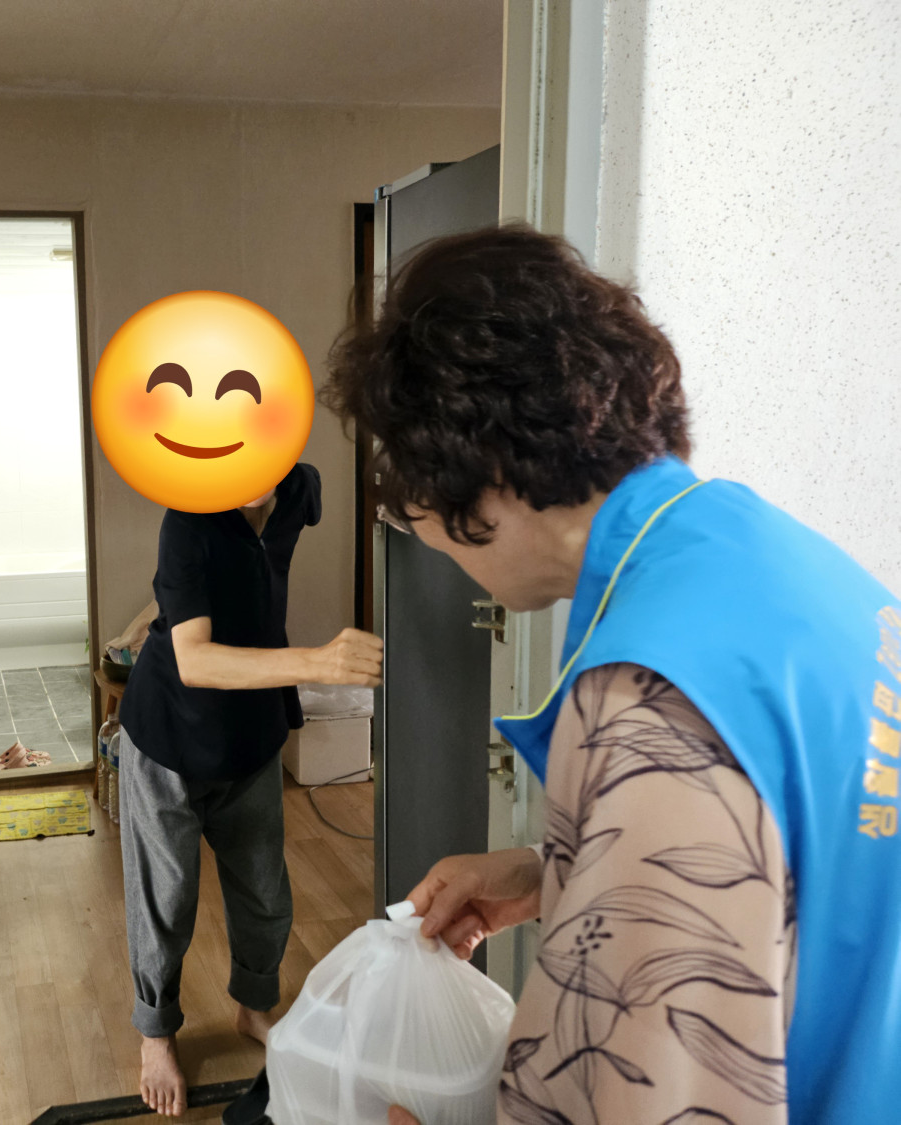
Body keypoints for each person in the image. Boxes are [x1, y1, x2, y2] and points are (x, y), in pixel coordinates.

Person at [321, 224, 901, 1124]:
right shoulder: (767, 553)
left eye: (411, 505)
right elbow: (799, 871)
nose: (422, 535)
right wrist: (557, 868)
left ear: (476, 469)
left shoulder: (649, 700)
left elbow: (672, 1099)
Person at [115, 462, 383, 1117]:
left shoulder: (299, 488)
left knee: (265, 891)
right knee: (166, 899)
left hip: (252, 737)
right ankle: (156, 1032)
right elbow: (194, 658)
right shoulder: (188, 521)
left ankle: (254, 1007)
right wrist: (319, 662)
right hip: (169, 741)